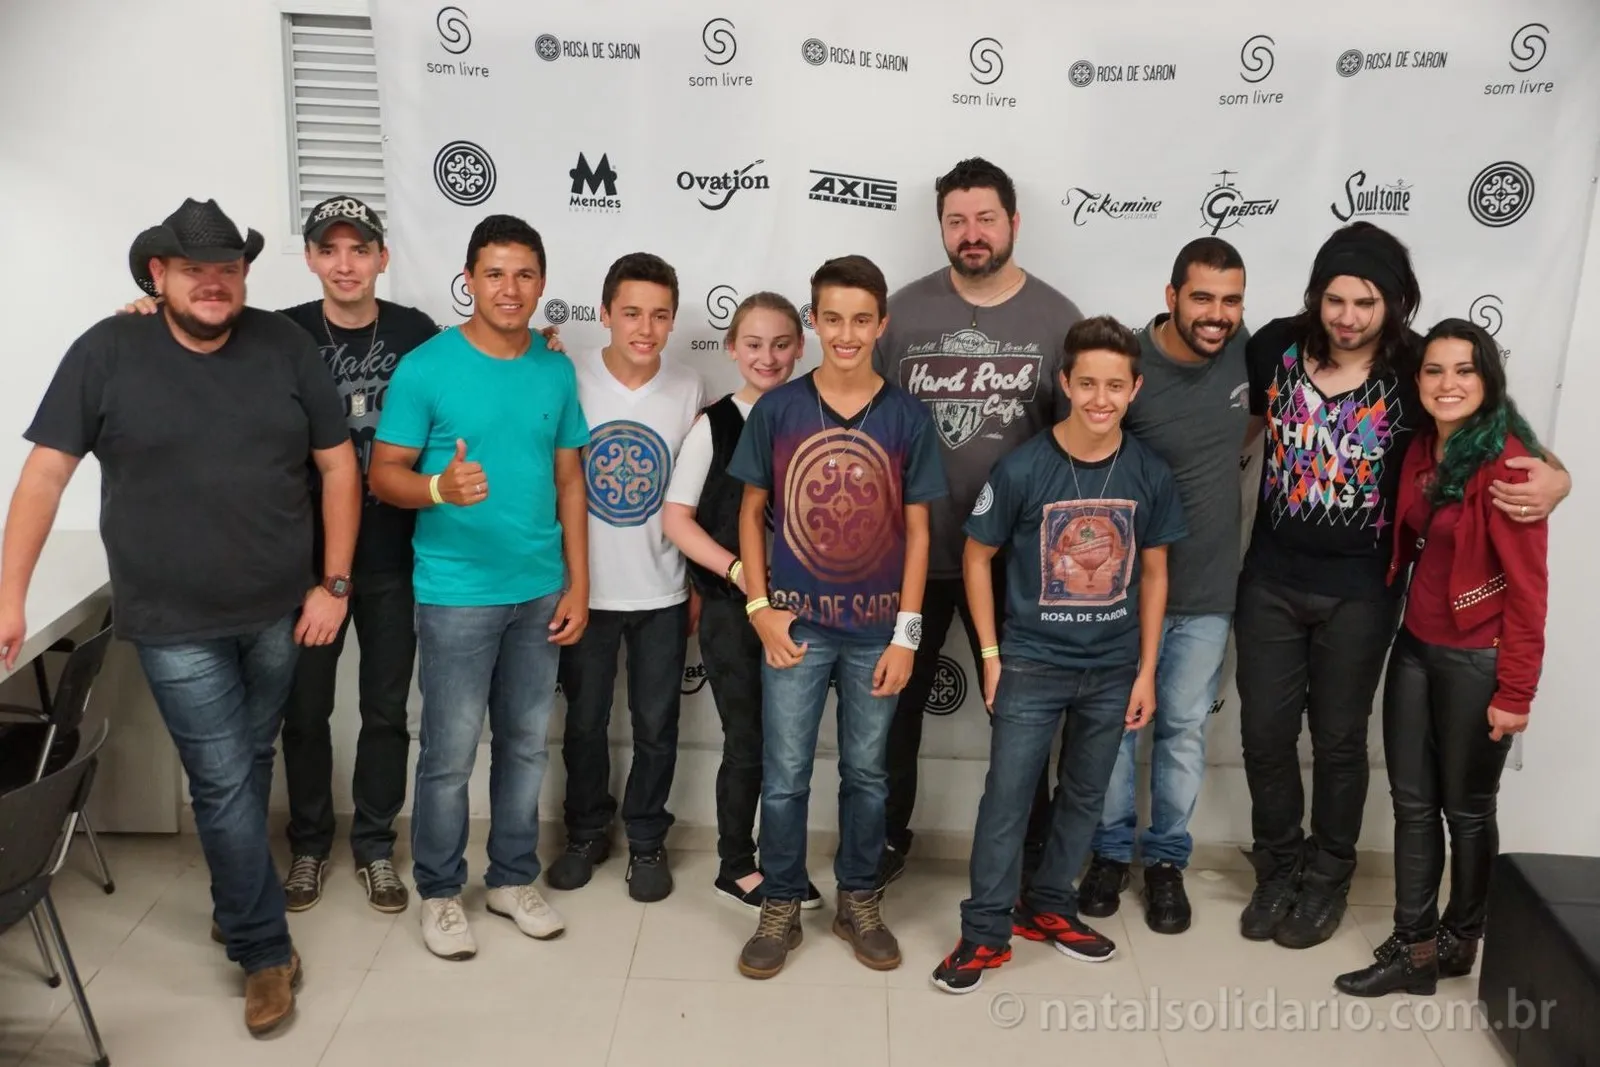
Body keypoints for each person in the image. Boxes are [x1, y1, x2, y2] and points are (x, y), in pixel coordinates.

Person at [0, 198, 360, 1035]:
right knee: (224, 779)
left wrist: (334, 583)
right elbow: (46, 474)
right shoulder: (107, 350)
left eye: (227, 268)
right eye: (194, 268)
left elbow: (338, 467)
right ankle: (264, 949)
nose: (213, 282)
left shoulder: (285, 345)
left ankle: (238, 898)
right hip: (172, 620)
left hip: (277, 610)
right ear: (157, 274)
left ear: (245, 274)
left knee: (248, 759)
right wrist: (10, 595)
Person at [1235, 222, 1569, 949]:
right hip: (1270, 578)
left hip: (1363, 589)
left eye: (1366, 302)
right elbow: (1240, 426)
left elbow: (1497, 432)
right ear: (1315, 296)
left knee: (1339, 740)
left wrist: (1560, 477)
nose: (1348, 316)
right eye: (1335, 299)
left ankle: (1327, 876)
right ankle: (1279, 866)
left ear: (1393, 303)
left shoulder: (1418, 366)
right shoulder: (1274, 347)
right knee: (1263, 734)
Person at [931, 315, 1186, 994]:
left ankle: (1049, 905)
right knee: (1007, 799)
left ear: (1134, 389)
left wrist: (1147, 670)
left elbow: (1155, 573)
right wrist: (990, 656)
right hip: (1031, 663)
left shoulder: (1149, 472)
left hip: (1112, 668)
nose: (1101, 398)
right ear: (1066, 383)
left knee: (1084, 795)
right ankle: (984, 932)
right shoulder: (1024, 467)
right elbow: (976, 557)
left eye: (1115, 385)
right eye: (1088, 383)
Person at [368, 214, 589, 961]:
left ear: (542, 283)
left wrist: (578, 583)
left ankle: (511, 878)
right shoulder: (426, 367)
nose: (510, 288)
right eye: (494, 273)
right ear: (469, 280)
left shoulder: (554, 368)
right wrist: (438, 486)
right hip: (456, 592)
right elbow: (383, 474)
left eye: (524, 274)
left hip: (539, 589)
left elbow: (569, 480)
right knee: (450, 753)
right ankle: (439, 890)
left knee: (525, 746)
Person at [731, 255, 946, 979]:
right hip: (795, 628)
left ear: (882, 324)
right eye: (832, 319)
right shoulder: (779, 410)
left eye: (861, 319)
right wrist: (760, 609)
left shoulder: (907, 416)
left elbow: (919, 531)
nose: (846, 334)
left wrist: (907, 635)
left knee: (868, 774)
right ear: (814, 322)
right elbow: (751, 511)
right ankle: (781, 901)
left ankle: (858, 897)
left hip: (877, 633)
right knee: (785, 774)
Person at [872, 157, 1083, 889]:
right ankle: (882, 846)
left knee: (1021, 720)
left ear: (1013, 223)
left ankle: (1030, 860)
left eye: (986, 218)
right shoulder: (900, 316)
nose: (972, 233)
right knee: (894, 712)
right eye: (956, 220)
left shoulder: (1058, 319)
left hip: (1014, 564)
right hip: (912, 558)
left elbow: (1077, 446)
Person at [1335, 319, 1549, 997]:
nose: (1447, 383)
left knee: (1468, 810)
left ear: (1487, 378)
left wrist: (1516, 691)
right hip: (1416, 646)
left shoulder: (1510, 464)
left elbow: (1529, 588)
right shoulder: (1425, 447)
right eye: (1434, 370)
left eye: (1464, 370)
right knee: (1413, 803)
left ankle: (1461, 938)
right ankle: (1416, 946)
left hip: (1477, 660)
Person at [1077, 238, 1250, 934]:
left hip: (1207, 590)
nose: (1217, 314)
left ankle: (1166, 862)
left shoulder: (1249, 353)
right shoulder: (1126, 365)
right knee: (1116, 730)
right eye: (1202, 297)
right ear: (1172, 296)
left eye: (1231, 300)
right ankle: (1109, 853)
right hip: (1118, 591)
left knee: (1182, 729)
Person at [546, 253, 705, 903]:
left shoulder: (689, 387)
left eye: (660, 315)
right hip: (585, 587)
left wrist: (695, 583)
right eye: (632, 312)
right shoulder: (567, 375)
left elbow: (694, 494)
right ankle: (586, 832)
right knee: (584, 722)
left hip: (662, 588)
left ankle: (646, 837)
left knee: (656, 724)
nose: (645, 328)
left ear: (673, 321)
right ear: (605, 314)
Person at [661, 292, 821, 910]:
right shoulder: (716, 424)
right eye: (753, 344)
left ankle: (783, 860)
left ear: (800, 347)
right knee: (748, 739)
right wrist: (738, 571)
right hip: (734, 611)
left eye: (781, 344)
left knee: (791, 747)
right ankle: (736, 863)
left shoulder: (816, 415)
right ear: (732, 349)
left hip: (807, 609)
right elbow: (676, 519)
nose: (768, 357)